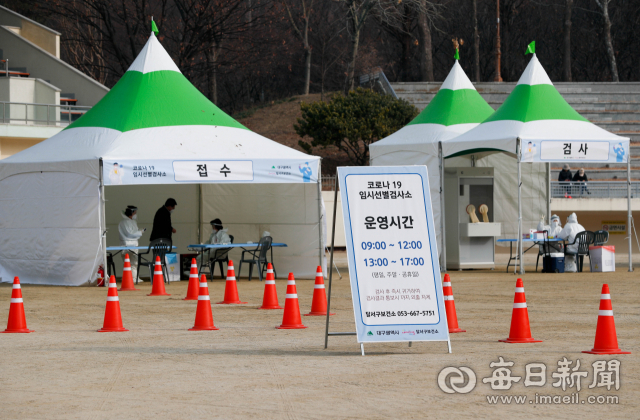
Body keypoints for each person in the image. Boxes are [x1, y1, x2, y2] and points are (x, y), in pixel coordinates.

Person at [118, 205, 145, 281]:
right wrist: (140, 232)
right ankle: (131, 278)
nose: (136, 214)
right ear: (132, 213)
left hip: (131, 244)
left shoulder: (130, 221)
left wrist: (139, 231)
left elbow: (133, 232)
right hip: (128, 245)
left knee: (130, 263)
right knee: (132, 262)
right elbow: (130, 234)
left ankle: (131, 277)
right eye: (135, 213)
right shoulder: (124, 222)